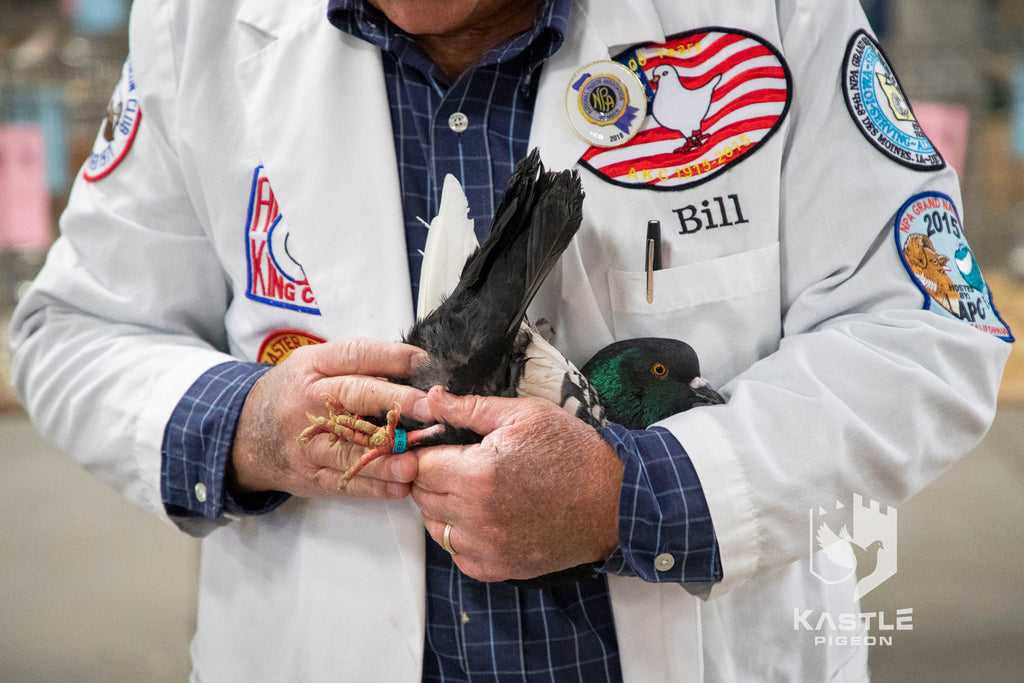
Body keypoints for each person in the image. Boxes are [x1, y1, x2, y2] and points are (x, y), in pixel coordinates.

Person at [10, 0, 1013, 680]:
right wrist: (244, 424)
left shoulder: (774, 13)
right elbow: (76, 330)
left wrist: (643, 496)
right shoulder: (201, 22)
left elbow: (923, 324)